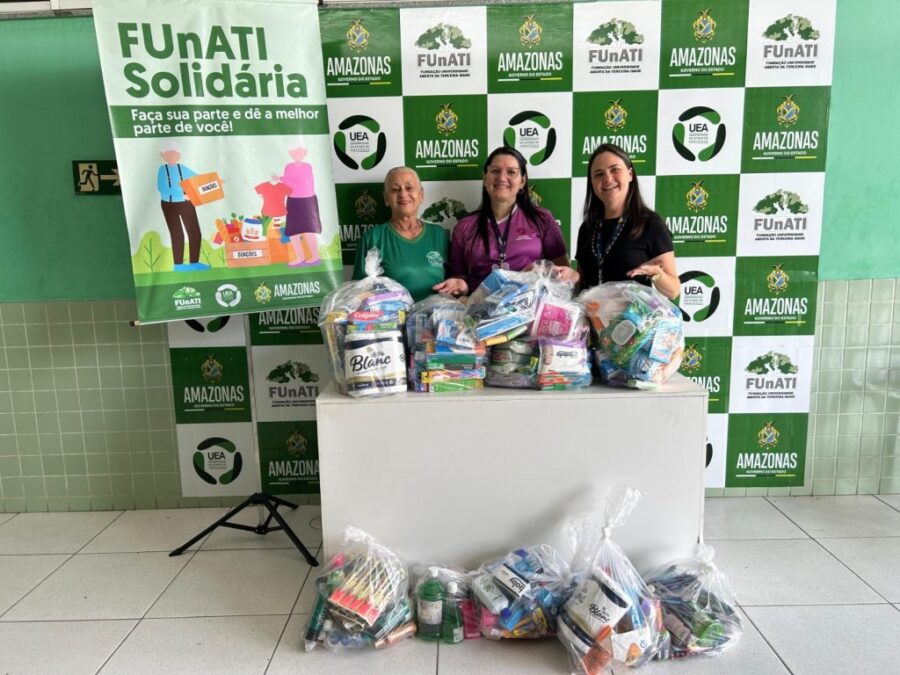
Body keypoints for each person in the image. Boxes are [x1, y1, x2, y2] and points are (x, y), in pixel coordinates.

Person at [434, 147, 574, 297]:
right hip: (479, 308)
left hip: (530, 308)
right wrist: (460, 286)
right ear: (485, 177)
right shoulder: (465, 226)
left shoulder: (541, 218)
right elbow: (459, 277)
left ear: (522, 181)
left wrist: (531, 276)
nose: (502, 178)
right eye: (495, 171)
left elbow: (562, 273)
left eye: (511, 172)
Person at [574, 143, 679, 299]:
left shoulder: (650, 224)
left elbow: (673, 291)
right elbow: (581, 285)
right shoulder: (587, 228)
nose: (607, 179)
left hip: (633, 315)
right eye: (598, 174)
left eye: (614, 170)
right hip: (593, 314)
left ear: (630, 174)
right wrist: (571, 278)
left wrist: (656, 274)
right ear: (592, 183)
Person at [352, 167, 449, 302]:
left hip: (437, 313)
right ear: (386, 198)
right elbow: (360, 292)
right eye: (395, 190)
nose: (403, 194)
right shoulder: (373, 238)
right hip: (392, 315)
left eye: (409, 188)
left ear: (421, 195)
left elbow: (454, 280)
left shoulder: (439, 235)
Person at [156, 140, 209, 272]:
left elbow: (197, 178)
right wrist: (182, 194)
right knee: (177, 233)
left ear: (179, 155)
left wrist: (215, 181)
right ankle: (178, 265)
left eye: (175, 153)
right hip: (169, 205)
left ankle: (194, 262)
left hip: (186, 204)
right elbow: (162, 187)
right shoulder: (162, 170)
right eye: (168, 153)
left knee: (195, 232)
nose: (172, 156)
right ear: (162, 155)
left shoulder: (182, 168)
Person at [278, 137, 322, 267]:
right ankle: (300, 256)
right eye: (294, 151)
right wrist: (282, 179)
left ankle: (315, 256)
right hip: (294, 200)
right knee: (293, 230)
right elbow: (289, 182)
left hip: (307, 201)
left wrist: (282, 179)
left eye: (300, 151)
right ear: (290, 153)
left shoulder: (308, 166)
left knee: (309, 229)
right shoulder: (289, 167)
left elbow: (298, 182)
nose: (297, 154)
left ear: (305, 152)